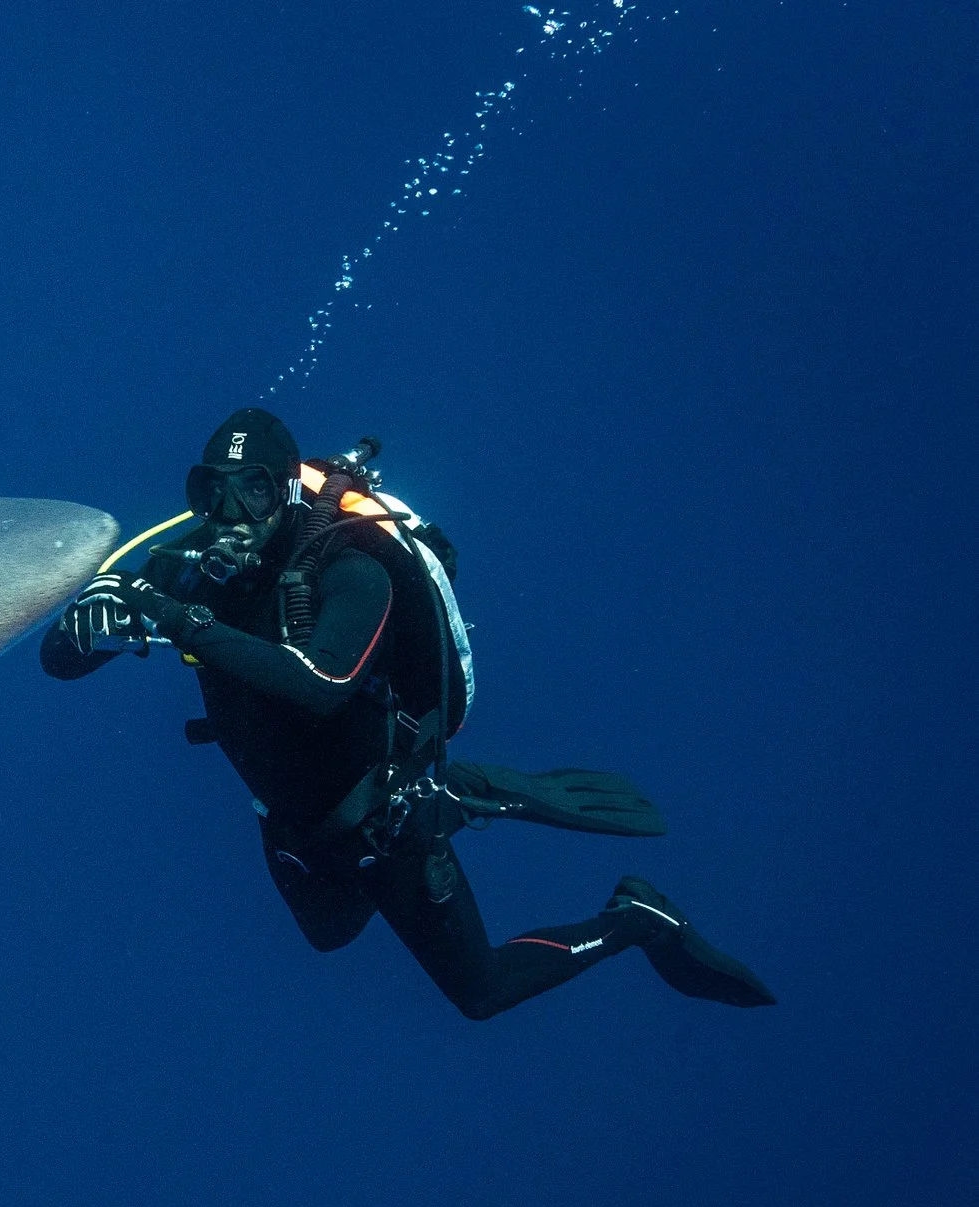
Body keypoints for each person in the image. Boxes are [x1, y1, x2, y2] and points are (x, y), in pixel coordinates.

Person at [44, 407, 772, 1020]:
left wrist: (175, 619)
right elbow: (57, 659)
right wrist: (93, 628)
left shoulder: (351, 566)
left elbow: (323, 682)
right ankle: (459, 792)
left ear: (289, 489)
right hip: (290, 822)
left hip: (381, 817)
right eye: (214, 492)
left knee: (479, 994)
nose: (232, 515)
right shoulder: (192, 566)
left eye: (255, 490)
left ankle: (632, 918)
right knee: (329, 934)